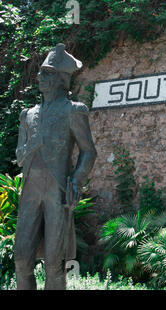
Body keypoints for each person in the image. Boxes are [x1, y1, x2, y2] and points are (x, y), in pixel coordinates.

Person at [14, 43, 97, 290]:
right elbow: (19, 156)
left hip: (57, 192)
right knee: (21, 259)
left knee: (53, 263)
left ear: (62, 78)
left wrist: (77, 181)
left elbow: (88, 151)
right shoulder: (26, 115)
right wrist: (31, 146)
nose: (39, 77)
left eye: (47, 72)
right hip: (30, 192)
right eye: (40, 71)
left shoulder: (73, 110)